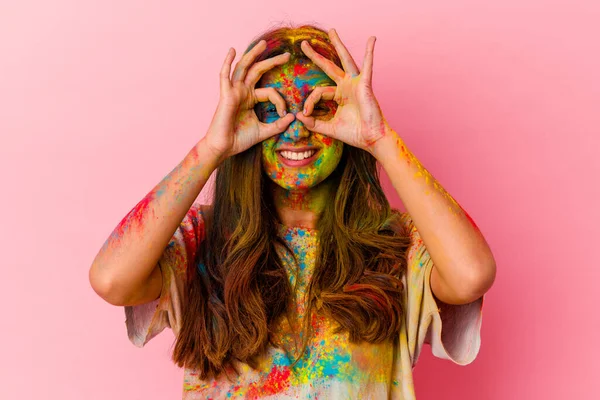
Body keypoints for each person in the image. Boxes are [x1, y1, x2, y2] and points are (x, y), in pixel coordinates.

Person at [89, 24, 494, 399]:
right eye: (273, 109)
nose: (296, 129)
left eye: (318, 108)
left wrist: (380, 138)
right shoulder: (203, 239)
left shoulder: (393, 244)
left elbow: (471, 275)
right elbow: (111, 280)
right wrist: (211, 149)